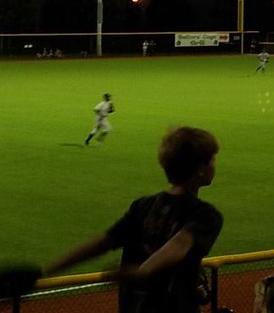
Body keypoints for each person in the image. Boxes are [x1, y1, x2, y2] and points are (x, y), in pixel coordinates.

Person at [44, 126, 223, 313]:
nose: (214, 164)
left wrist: (47, 270)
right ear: (200, 169)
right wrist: (143, 271)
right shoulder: (205, 215)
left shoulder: (142, 206)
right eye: (212, 160)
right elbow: (180, 243)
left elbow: (102, 242)